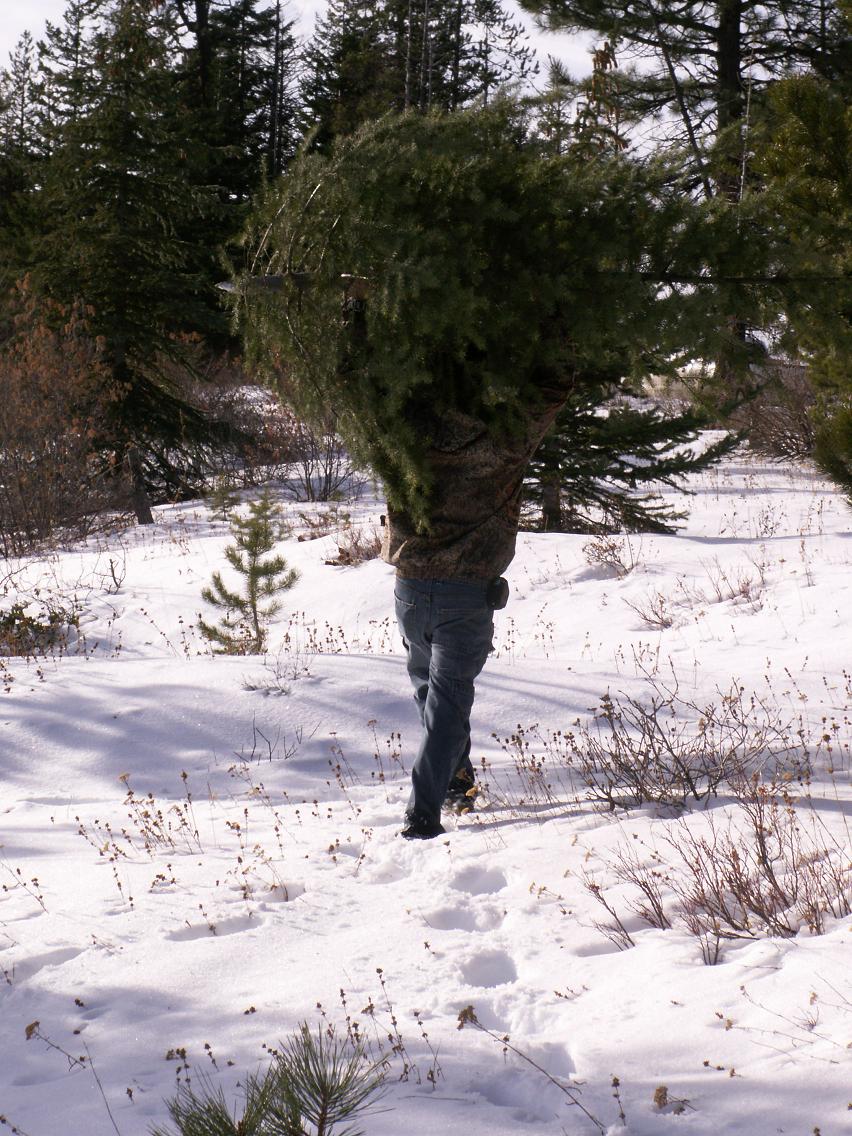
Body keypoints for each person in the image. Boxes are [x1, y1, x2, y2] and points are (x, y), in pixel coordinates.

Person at [382, 377, 573, 839]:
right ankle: (422, 814)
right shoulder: (503, 439)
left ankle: (455, 780)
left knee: (430, 693)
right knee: (445, 706)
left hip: (409, 587)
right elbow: (555, 383)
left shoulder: (404, 422)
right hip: (463, 597)